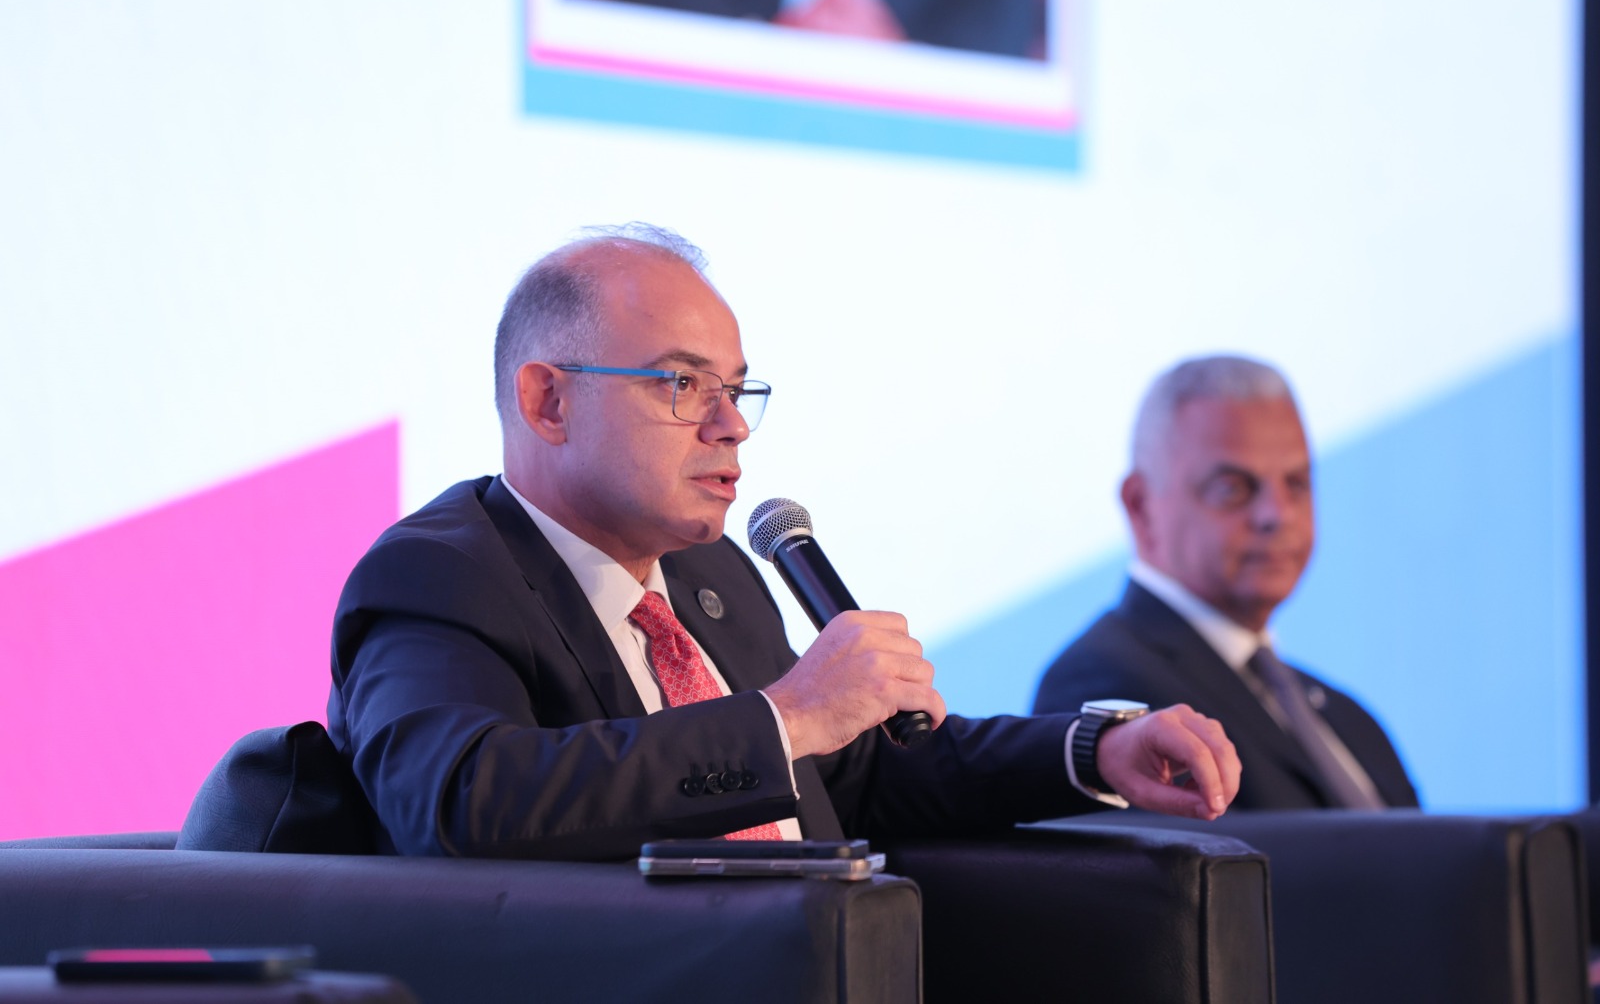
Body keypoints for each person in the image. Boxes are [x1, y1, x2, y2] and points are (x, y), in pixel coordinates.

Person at [328, 224, 1240, 861]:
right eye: (682, 385)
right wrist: (789, 716)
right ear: (549, 401)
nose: (730, 425)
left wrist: (1092, 750)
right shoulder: (440, 575)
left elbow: (863, 775)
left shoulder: (712, 572)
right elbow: (460, 798)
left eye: (736, 390)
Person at [1033, 355, 1419, 810]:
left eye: (1296, 484)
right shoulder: (1103, 685)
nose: (1277, 514)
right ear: (1142, 506)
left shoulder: (1344, 716)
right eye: (1233, 487)